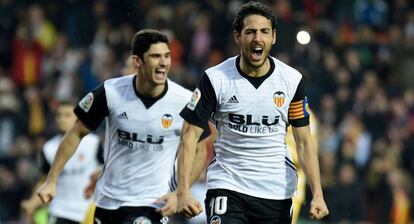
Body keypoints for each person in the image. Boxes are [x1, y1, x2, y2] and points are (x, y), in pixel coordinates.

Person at [176, 1, 329, 223]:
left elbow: (304, 142)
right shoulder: (215, 79)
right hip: (228, 185)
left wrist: (318, 194)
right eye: (250, 32)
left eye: (264, 31)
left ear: (273, 37)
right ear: (237, 37)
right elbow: (189, 135)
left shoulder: (291, 80)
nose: (258, 38)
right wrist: (182, 192)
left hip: (275, 191)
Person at [36, 29, 209, 224]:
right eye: (155, 56)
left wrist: (180, 192)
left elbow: (200, 148)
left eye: (167, 56)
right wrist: (51, 180)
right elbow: (76, 132)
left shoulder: (184, 100)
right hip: (107, 202)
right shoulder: (111, 92)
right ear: (138, 61)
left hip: (152, 202)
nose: (163, 63)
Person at [21, 101, 102, 224]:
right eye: (58, 115)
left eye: (67, 115)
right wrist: (32, 202)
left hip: (88, 210)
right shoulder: (48, 148)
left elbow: (108, 167)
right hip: (60, 210)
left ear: (78, 117)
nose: (61, 119)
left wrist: (100, 173)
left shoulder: (94, 143)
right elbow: (44, 180)